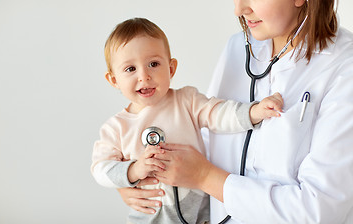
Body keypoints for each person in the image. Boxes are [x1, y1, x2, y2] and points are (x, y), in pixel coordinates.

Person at [117, 0, 353, 223]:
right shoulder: (238, 47)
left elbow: (320, 211)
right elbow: (205, 137)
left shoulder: (345, 66)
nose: (238, 9)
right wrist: (134, 177)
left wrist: (205, 177)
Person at [91, 17, 284, 224]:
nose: (144, 76)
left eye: (153, 64)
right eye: (130, 69)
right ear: (114, 80)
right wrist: (134, 170)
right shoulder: (116, 127)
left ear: (171, 68)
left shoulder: (187, 101)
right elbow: (100, 169)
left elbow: (219, 113)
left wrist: (254, 111)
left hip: (200, 217)